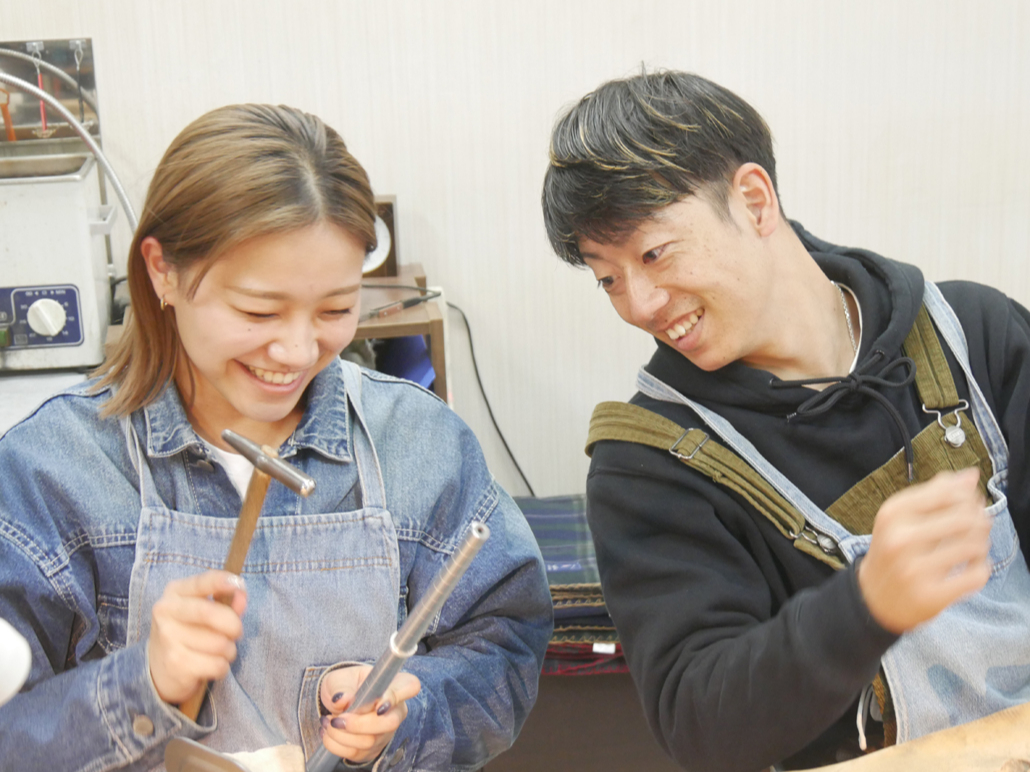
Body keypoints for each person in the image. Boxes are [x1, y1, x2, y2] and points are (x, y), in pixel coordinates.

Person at [0, 103, 552, 771]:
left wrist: (410, 711)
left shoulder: (418, 443)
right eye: (258, 311)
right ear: (162, 270)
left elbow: (505, 645)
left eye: (336, 308)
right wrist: (142, 685)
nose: (295, 351)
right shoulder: (53, 470)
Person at [541, 71, 1030, 772]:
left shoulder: (975, 336)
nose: (640, 305)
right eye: (608, 278)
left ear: (753, 199)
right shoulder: (647, 464)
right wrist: (864, 606)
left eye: (653, 253)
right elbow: (700, 724)